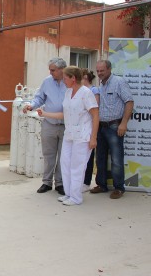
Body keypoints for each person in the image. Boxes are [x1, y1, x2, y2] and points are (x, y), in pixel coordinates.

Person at [37, 66, 99, 205]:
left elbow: (95, 116)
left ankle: (76, 198)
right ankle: (69, 193)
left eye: (65, 78)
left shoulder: (86, 93)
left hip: (83, 135)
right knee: (65, 163)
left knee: (77, 166)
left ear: (73, 78)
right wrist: (44, 113)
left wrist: (93, 138)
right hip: (69, 134)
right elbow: (64, 115)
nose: (63, 80)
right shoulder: (68, 92)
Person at [23, 57, 67, 195]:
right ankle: (46, 182)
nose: (50, 72)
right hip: (49, 124)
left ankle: (60, 183)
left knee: (63, 156)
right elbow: (39, 97)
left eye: (53, 70)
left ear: (62, 70)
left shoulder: (70, 81)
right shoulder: (47, 81)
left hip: (67, 126)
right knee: (48, 155)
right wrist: (31, 105)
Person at [90, 59, 133, 199]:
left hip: (115, 127)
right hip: (101, 127)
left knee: (116, 159)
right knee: (100, 158)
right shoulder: (100, 85)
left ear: (109, 69)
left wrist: (124, 123)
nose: (99, 73)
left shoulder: (119, 82)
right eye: (97, 71)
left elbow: (129, 102)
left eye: (102, 70)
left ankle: (119, 188)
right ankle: (101, 185)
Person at [81, 68, 100, 192]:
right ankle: (80, 180)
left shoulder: (94, 90)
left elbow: (95, 110)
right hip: (81, 126)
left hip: (90, 126)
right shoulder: (80, 91)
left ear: (86, 78)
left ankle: (86, 182)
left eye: (80, 77)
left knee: (89, 154)